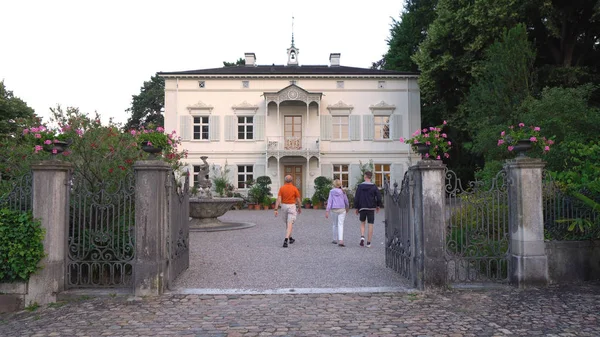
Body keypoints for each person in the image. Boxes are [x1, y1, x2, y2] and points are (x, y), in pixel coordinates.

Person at [353, 171, 382, 248]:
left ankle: (362, 236)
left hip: (362, 207)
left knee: (362, 222)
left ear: (365, 177)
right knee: (370, 224)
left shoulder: (360, 186)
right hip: (371, 207)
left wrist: (356, 207)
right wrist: (378, 205)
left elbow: (357, 197)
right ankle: (368, 243)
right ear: (370, 177)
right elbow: (379, 197)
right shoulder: (374, 186)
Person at [274, 174, 302, 248]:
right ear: (292, 180)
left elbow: (279, 199)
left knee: (287, 223)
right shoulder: (294, 188)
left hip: (284, 206)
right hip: (292, 206)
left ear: (285, 180)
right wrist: (299, 208)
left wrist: (276, 209)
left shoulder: (282, 188)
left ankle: (290, 238)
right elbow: (298, 200)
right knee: (290, 223)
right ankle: (286, 240)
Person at [325, 179, 350, 247]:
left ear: (334, 184)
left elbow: (330, 201)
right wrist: (347, 207)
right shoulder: (343, 191)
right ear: (340, 184)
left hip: (334, 209)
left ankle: (334, 239)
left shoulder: (331, 191)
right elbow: (346, 200)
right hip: (342, 209)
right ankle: (341, 240)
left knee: (334, 224)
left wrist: (327, 211)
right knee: (340, 224)